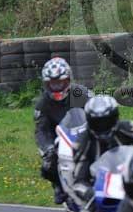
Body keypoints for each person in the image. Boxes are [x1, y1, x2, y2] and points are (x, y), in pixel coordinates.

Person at [34, 57, 92, 204]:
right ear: (46, 84)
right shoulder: (43, 104)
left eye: (60, 82)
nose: (57, 87)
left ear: (68, 80)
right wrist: (48, 148)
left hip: (86, 133)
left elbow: (97, 110)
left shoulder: (82, 93)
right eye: (52, 83)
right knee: (48, 164)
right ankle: (59, 186)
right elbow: (41, 130)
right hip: (59, 139)